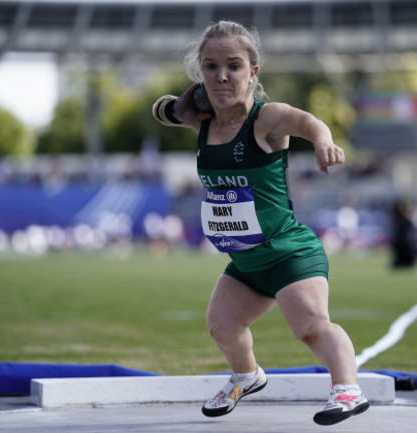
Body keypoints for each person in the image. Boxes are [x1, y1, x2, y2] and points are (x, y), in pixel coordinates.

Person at [152, 21, 369, 426]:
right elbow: (160, 110)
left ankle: (347, 390)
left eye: (233, 65)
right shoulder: (202, 123)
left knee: (310, 327)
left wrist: (323, 141)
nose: (221, 75)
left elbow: (307, 122)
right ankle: (247, 376)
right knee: (222, 325)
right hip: (246, 260)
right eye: (211, 66)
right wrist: (175, 106)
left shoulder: (266, 119)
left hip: (288, 253)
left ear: (253, 72)